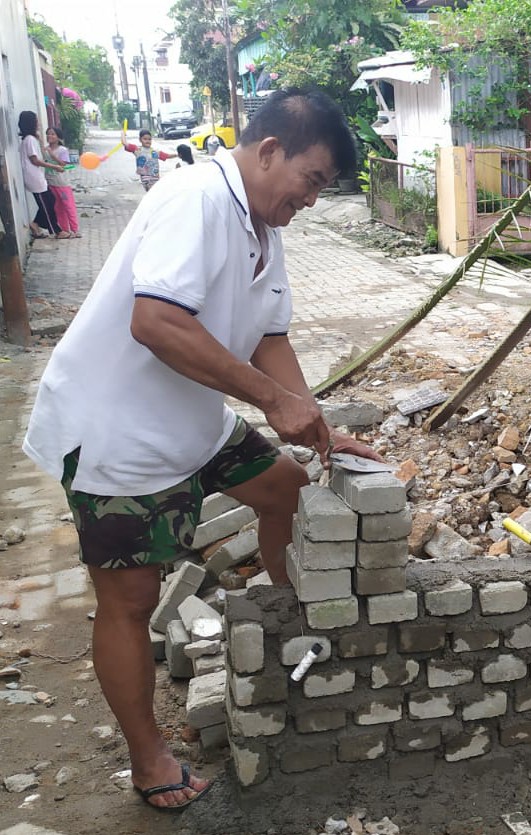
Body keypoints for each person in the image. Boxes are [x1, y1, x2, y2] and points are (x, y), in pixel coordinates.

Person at [22, 89, 373, 812]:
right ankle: (148, 758)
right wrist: (270, 401)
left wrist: (313, 420)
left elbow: (269, 337)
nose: (312, 199)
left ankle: (284, 618)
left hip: (190, 418)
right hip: (117, 432)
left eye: (323, 188)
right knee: (130, 600)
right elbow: (156, 322)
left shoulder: (263, 227)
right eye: (311, 179)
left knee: (286, 489)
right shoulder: (197, 199)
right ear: (269, 150)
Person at [19, 111, 66, 239]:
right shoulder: (29, 140)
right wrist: (54, 166)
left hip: (38, 176)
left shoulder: (31, 139)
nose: (38, 123)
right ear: (31, 123)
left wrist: (39, 139)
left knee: (50, 200)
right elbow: (35, 160)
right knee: (46, 206)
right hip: (34, 177)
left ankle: (36, 223)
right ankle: (57, 231)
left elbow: (39, 156)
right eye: (36, 120)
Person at [45, 126, 81, 238]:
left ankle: (75, 230)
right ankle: (64, 230)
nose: (49, 136)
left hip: (62, 183)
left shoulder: (62, 150)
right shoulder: (45, 149)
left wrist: (52, 155)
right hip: (51, 183)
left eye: (52, 134)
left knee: (69, 206)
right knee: (58, 208)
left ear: (58, 137)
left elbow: (64, 164)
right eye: (48, 134)